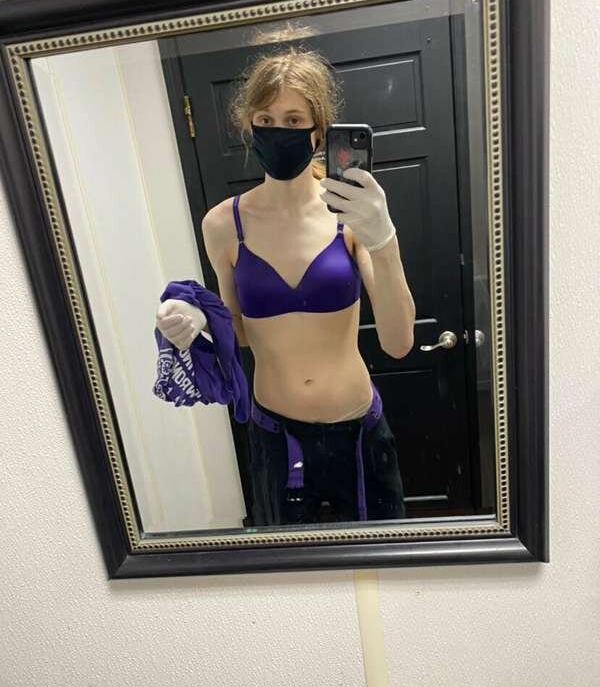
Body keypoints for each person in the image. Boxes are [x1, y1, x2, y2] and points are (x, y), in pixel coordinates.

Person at [156, 45, 415, 526]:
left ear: (319, 130)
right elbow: (242, 333)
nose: (279, 130)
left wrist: (385, 240)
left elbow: (398, 343)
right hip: (277, 437)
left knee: (378, 562)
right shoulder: (223, 225)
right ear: (249, 125)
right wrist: (200, 317)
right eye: (266, 119)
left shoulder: (352, 215)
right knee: (289, 569)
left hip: (358, 433)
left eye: (294, 120)